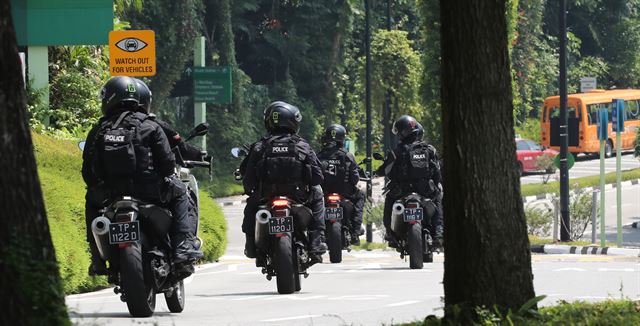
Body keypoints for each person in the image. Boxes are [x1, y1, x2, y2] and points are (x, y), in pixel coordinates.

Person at [82, 76, 203, 277]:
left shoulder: (99, 130)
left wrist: (100, 187)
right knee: (182, 193)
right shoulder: (151, 126)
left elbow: (88, 172)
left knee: (91, 201)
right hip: (150, 191)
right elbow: (167, 164)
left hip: (111, 194)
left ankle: (96, 256)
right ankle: (183, 247)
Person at [240, 101, 327, 265]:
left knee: (250, 206)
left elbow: (248, 180)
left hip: (266, 197)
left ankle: (251, 246)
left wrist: (251, 190)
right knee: (318, 194)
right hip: (298, 197)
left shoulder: (260, 146)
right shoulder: (303, 146)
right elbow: (317, 178)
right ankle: (316, 242)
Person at [376, 115, 443, 250]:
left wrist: (377, 172)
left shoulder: (396, 152)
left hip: (402, 190)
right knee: (437, 200)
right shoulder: (429, 150)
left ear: (401, 132)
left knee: (389, 201)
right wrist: (435, 185)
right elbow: (437, 172)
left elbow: (386, 170)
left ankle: (389, 233)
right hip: (425, 190)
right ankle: (439, 233)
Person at [316, 124, 365, 245]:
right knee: (361, 196)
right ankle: (356, 231)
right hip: (345, 193)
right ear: (342, 138)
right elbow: (355, 179)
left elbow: (314, 176)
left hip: (324, 193)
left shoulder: (320, 155)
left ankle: (316, 236)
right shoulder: (348, 155)